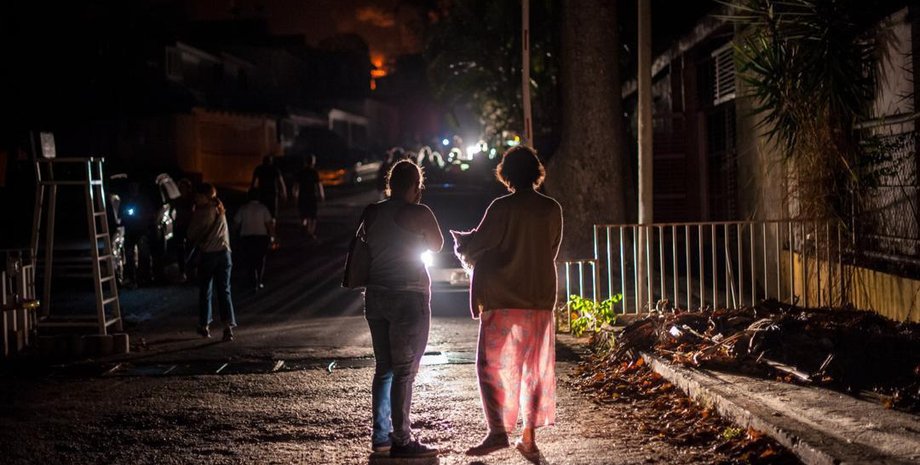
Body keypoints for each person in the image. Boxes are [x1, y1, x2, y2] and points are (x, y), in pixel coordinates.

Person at [453, 146, 563, 458]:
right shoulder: (552, 209)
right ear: (537, 172)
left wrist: (464, 245)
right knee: (532, 369)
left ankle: (497, 432)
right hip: (540, 297)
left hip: (503, 298)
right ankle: (528, 436)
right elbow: (551, 249)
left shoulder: (501, 208)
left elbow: (476, 248)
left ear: (507, 175)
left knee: (489, 366)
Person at [359, 159, 443, 458]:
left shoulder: (373, 211)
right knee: (405, 372)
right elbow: (436, 245)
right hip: (408, 295)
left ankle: (380, 437)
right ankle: (403, 441)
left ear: (390, 183)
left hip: (375, 296)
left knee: (384, 369)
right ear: (414, 186)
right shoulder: (419, 212)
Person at [187, 183, 237, 342]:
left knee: (205, 291)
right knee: (224, 291)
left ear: (204, 196)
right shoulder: (220, 208)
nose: (195, 198)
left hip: (208, 255)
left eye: (198, 195)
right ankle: (228, 327)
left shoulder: (202, 212)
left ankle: (204, 325)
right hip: (225, 254)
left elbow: (190, 234)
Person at [233, 188, 275, 290]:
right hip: (261, 237)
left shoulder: (243, 208)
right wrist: (272, 237)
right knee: (260, 260)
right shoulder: (263, 208)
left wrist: (234, 236)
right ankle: (259, 280)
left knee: (249, 260)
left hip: (247, 237)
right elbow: (269, 224)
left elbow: (236, 224)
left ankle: (252, 280)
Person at [294, 155, 324, 240]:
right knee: (312, 216)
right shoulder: (314, 172)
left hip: (302, 196)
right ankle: (310, 232)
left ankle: (304, 226)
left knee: (304, 215)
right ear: (313, 162)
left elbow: (296, 186)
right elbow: (318, 184)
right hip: (311, 196)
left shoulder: (300, 172)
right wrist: (321, 194)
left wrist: (295, 196)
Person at [172, 178, 195, 282]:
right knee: (180, 249)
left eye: (184, 188)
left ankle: (190, 270)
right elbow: (172, 213)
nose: (182, 190)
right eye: (181, 188)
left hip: (190, 226)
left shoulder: (192, 200)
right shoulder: (177, 200)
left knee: (191, 248)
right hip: (180, 226)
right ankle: (182, 272)